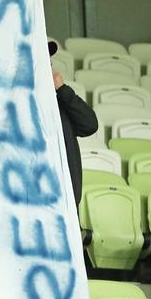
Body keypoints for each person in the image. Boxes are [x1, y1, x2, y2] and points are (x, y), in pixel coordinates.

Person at [49, 41, 98, 206]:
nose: (48, 63)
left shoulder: (61, 99)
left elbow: (90, 124)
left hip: (66, 202)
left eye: (49, 60)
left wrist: (62, 90)